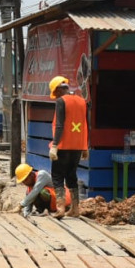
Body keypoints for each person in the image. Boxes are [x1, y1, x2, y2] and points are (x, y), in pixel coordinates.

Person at [47, 75, 87, 217]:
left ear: (58, 90)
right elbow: (84, 123)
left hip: (63, 145)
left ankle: (61, 209)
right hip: (77, 145)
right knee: (71, 175)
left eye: (55, 92)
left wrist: (55, 145)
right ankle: (75, 209)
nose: (55, 96)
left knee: (57, 176)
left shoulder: (61, 101)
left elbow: (59, 125)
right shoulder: (82, 101)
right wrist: (85, 146)